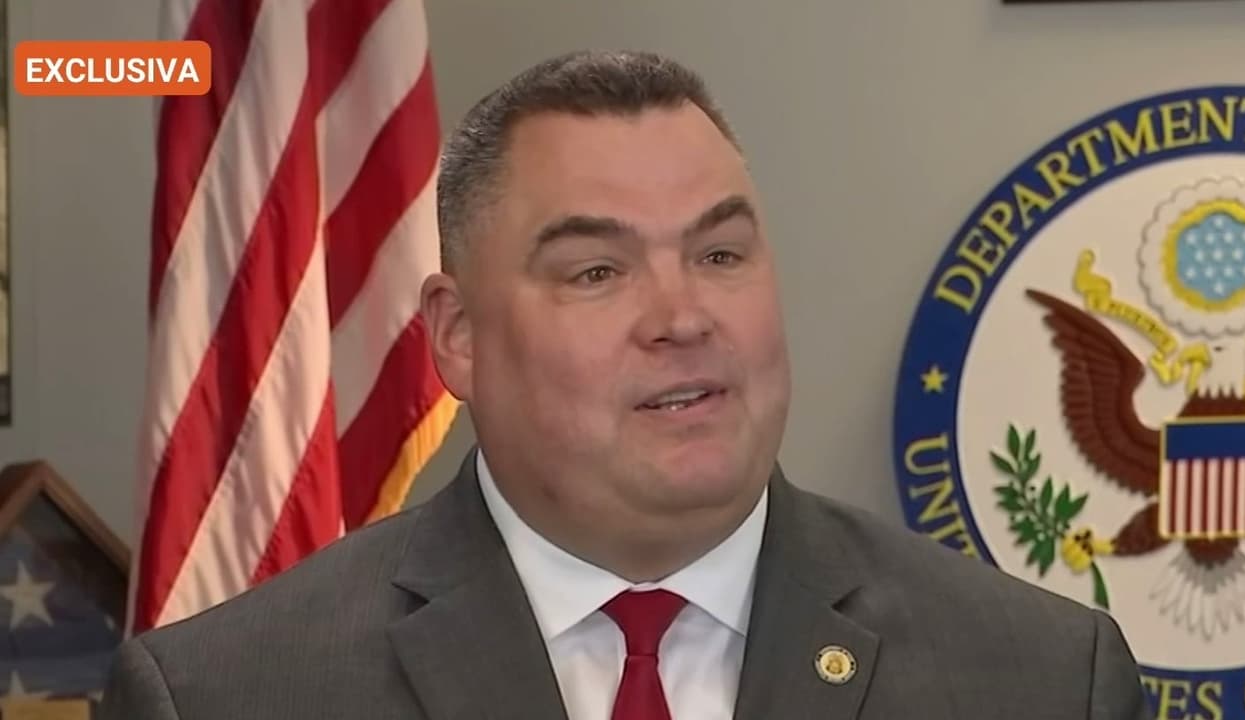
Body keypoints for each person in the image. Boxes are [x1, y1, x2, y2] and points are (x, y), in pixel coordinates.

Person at [100, 50, 1152, 720]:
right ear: (457, 339)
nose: (683, 316)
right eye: (597, 272)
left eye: (720, 254)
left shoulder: (1043, 680)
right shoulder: (231, 694)